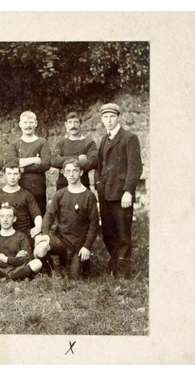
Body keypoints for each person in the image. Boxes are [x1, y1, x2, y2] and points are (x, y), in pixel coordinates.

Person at [95, 103, 143, 278]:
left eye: (112, 117)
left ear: (118, 117)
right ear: (101, 119)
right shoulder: (103, 139)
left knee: (123, 235)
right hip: (105, 194)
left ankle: (123, 274)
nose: (108, 120)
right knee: (108, 234)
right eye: (105, 117)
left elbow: (135, 167)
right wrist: (98, 185)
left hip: (121, 195)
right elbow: (99, 165)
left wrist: (128, 191)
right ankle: (115, 264)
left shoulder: (129, 138)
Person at [33, 159, 99, 279]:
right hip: (61, 240)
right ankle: (52, 271)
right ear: (64, 173)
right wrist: (46, 234)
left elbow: (94, 224)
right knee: (40, 248)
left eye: (75, 171)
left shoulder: (89, 196)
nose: (71, 174)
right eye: (68, 171)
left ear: (81, 172)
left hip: (79, 244)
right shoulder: (60, 194)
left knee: (74, 278)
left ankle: (78, 262)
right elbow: (49, 215)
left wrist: (87, 246)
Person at [0, 205, 42, 280]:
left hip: (17, 269)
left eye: (9, 216)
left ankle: (5, 279)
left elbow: (27, 259)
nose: (5, 219)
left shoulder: (21, 236)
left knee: (37, 263)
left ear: (14, 219)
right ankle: (12, 278)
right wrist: (14, 260)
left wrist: (6, 259)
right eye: (2, 216)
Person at [5, 111, 51, 215]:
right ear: (20, 124)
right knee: (20, 216)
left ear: (36, 123)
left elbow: (46, 164)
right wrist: (34, 160)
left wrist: (23, 168)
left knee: (39, 215)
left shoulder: (42, 142)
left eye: (31, 122)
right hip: (19, 187)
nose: (28, 125)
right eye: (25, 122)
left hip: (38, 188)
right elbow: (10, 161)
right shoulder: (14, 144)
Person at [0, 163, 42, 247]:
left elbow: (36, 214)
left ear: (20, 176)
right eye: (9, 174)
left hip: (24, 233)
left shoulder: (26, 194)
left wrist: (38, 226)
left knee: (40, 243)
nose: (12, 177)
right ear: (4, 176)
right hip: (4, 234)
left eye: (15, 173)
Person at [51, 112, 98, 190]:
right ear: (66, 125)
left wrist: (64, 164)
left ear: (81, 125)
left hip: (82, 184)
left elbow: (93, 162)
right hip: (63, 185)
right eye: (70, 122)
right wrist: (78, 159)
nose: (73, 125)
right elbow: (54, 160)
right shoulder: (61, 143)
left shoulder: (89, 143)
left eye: (76, 122)